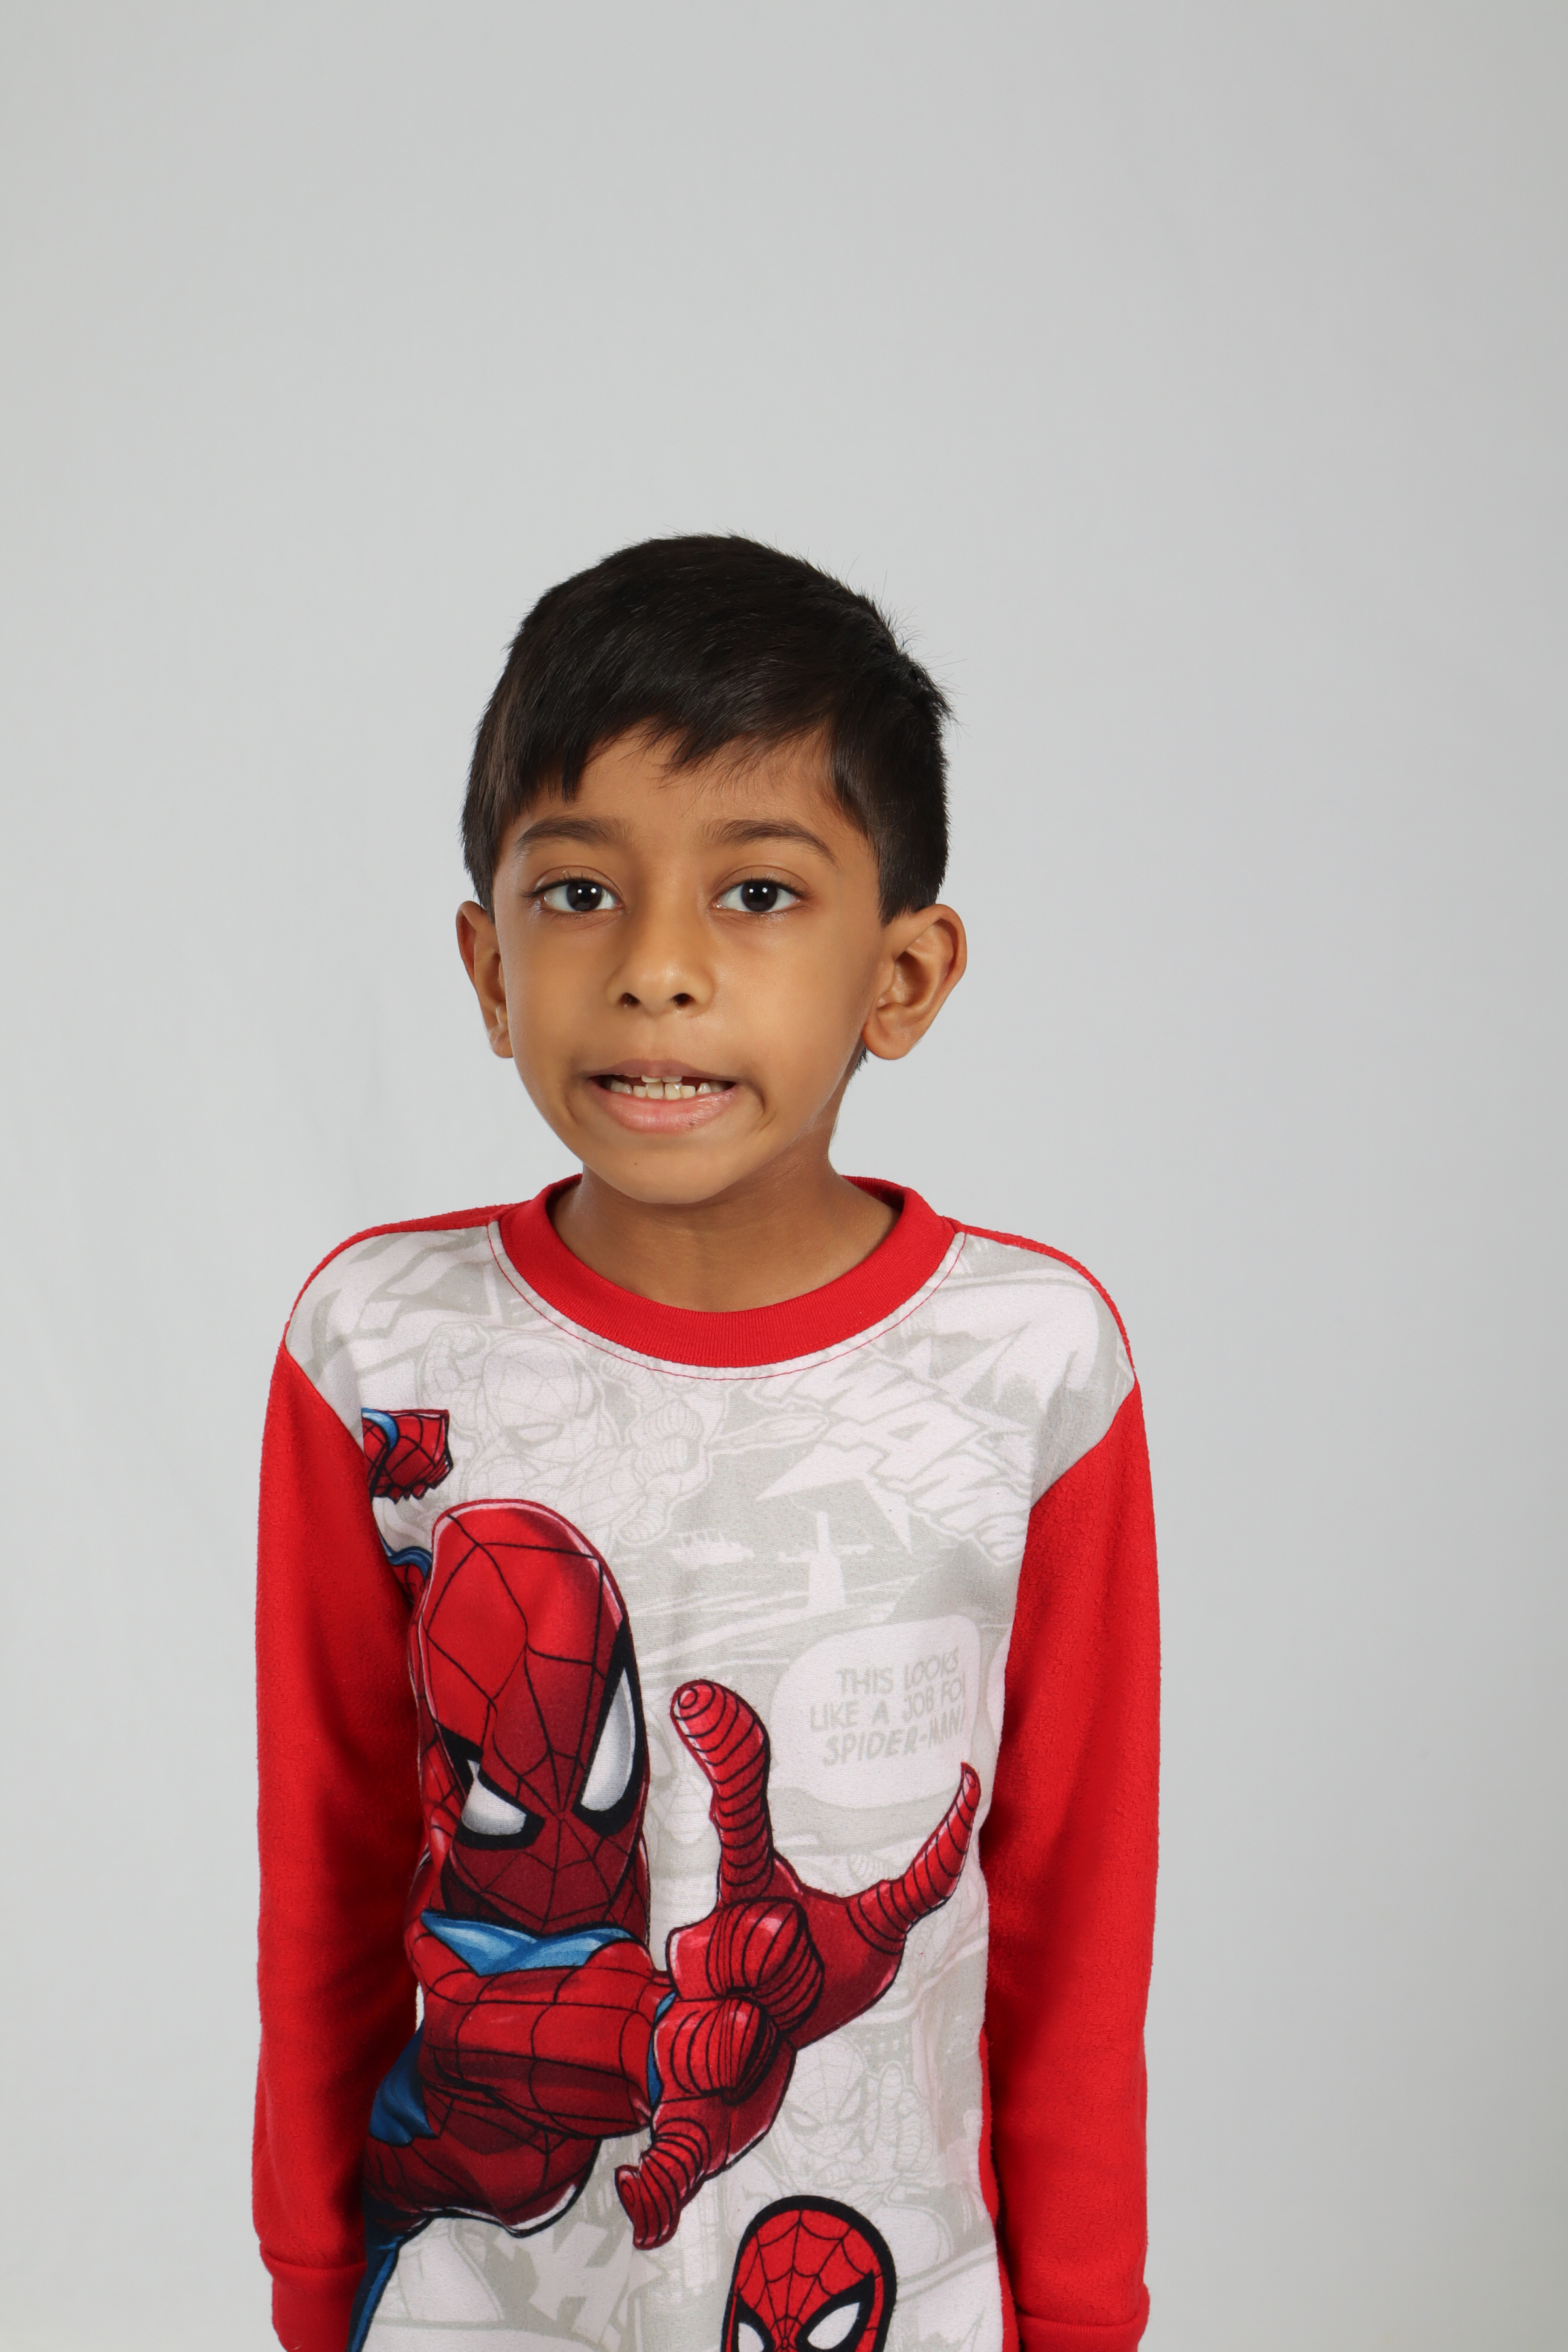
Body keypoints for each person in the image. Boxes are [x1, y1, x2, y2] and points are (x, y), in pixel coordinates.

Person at [253, 535, 1158, 2352]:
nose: (658, 968)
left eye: (757, 893)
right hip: (479, 2295)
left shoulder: (1029, 1362)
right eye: (579, 893)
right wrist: (315, 2274)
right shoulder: (376, 1343)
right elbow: (329, 1865)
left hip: (891, 2292)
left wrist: (1080, 2312)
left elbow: (1075, 1904)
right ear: (488, 966)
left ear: (903, 974)